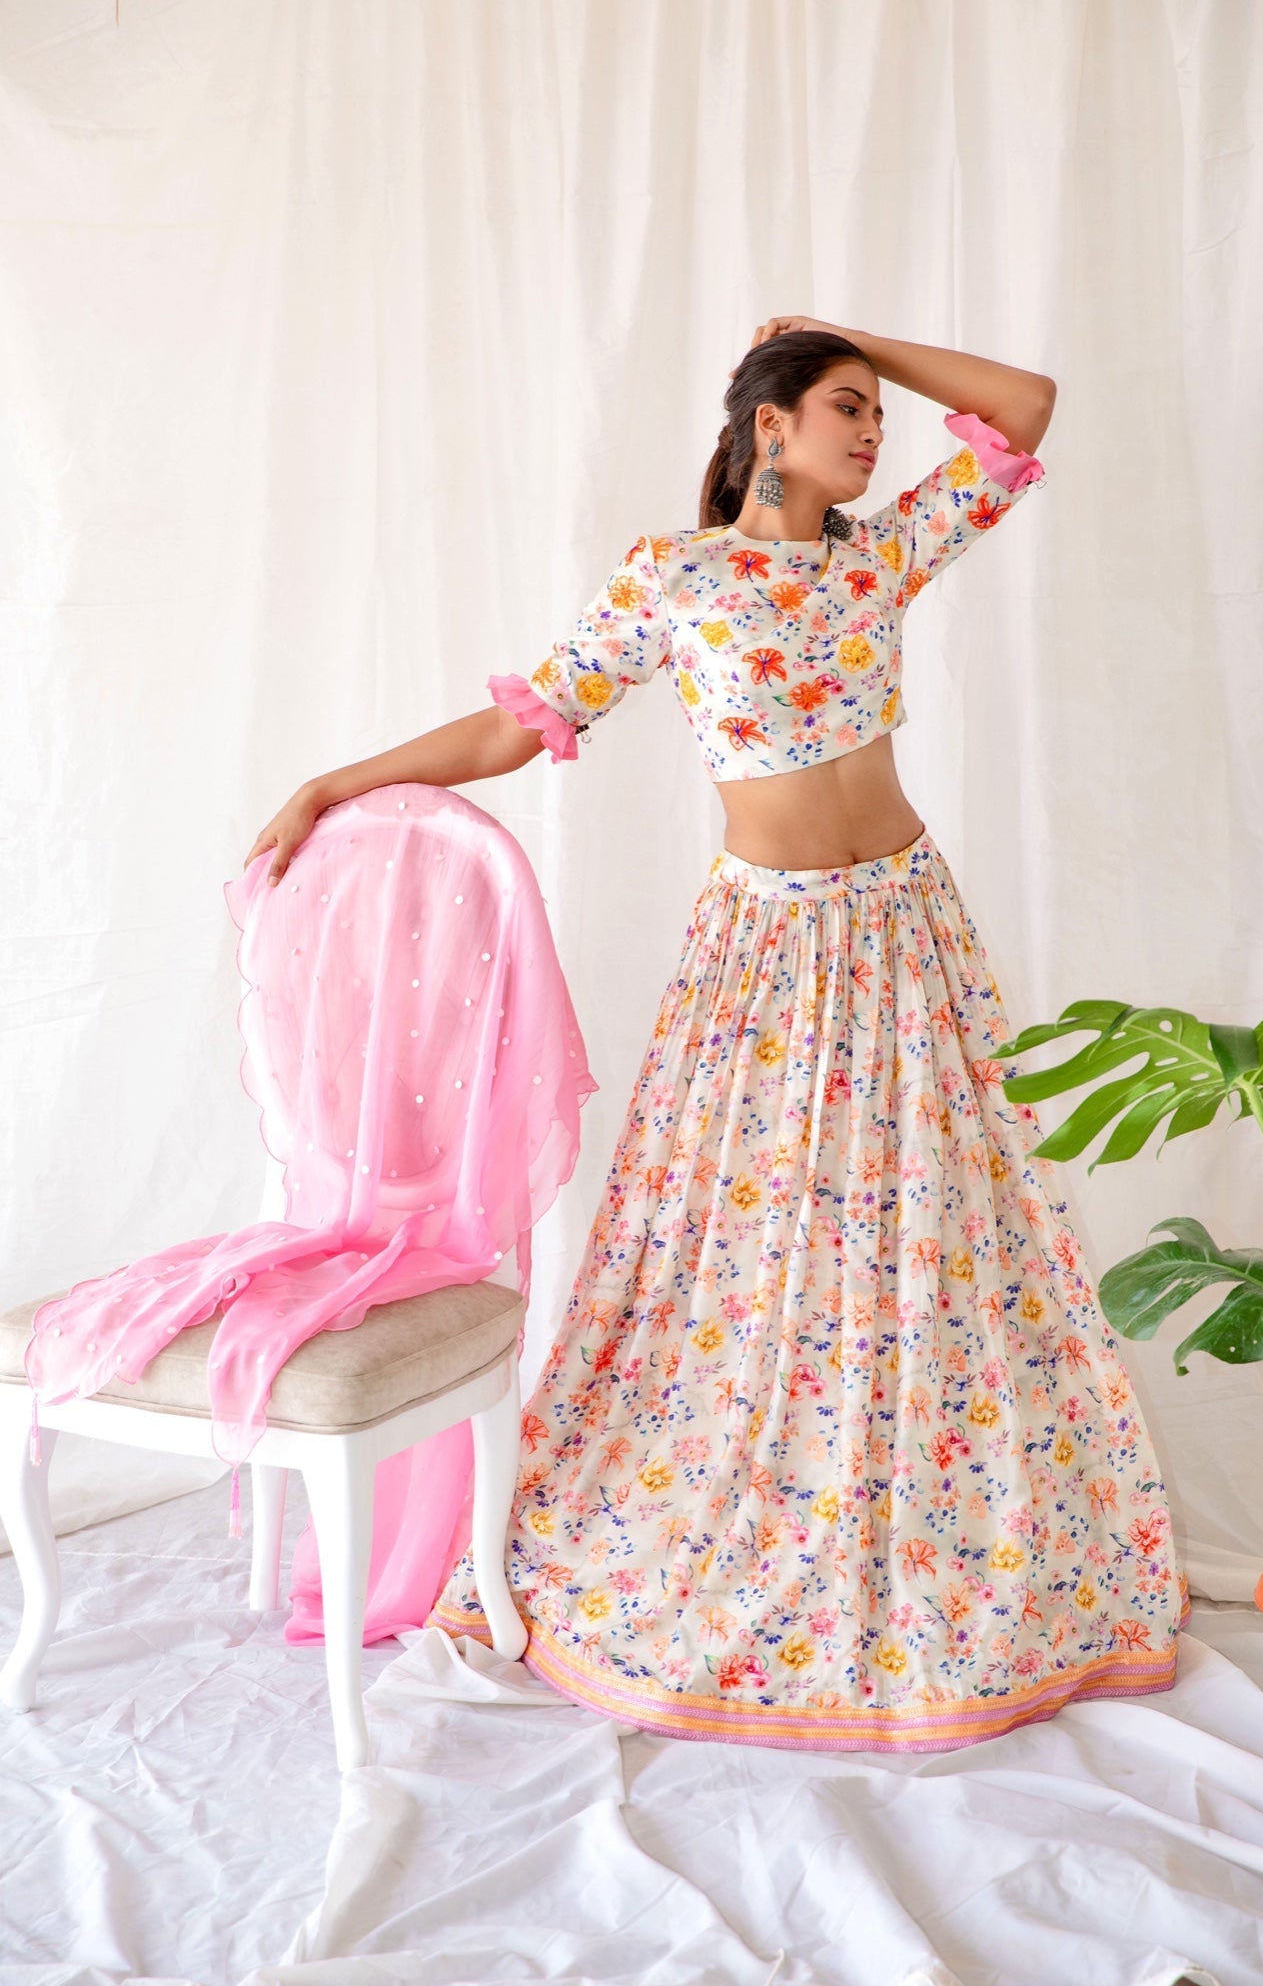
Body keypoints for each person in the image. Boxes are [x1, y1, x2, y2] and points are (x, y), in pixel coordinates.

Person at [247, 318, 1191, 1753]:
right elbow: (520, 729)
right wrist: (334, 779)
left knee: (931, 1231)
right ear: (766, 429)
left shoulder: (881, 554)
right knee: (731, 1245)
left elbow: (1027, 403)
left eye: (873, 416)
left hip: (900, 930)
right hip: (760, 947)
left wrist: (844, 335)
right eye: (841, 408)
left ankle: (932, 1530)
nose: (872, 434)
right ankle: (714, 1508)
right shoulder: (673, 578)